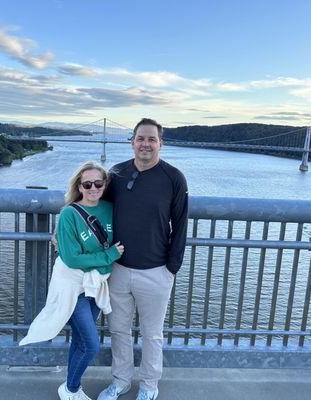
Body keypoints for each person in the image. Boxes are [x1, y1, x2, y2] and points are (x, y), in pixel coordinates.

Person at [97, 118, 188, 400]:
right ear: (132, 141)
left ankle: (149, 385)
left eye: (151, 139)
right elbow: (94, 208)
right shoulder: (117, 174)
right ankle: (121, 381)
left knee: (152, 334)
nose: (145, 144)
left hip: (157, 270)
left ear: (161, 143)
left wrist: (171, 268)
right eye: (140, 138)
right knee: (118, 330)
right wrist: (65, 230)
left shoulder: (174, 178)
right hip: (119, 268)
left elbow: (181, 224)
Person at [20, 161, 124, 400]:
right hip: (74, 286)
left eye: (98, 183)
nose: (93, 188)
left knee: (79, 341)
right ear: (79, 185)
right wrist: (109, 255)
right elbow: (72, 258)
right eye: (87, 184)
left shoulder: (111, 208)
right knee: (91, 345)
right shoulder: (69, 213)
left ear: (105, 184)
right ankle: (71, 388)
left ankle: (70, 387)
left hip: (97, 284)